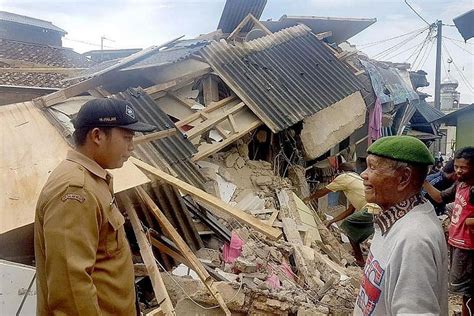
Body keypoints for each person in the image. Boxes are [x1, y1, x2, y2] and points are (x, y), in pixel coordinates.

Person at [34, 98, 156, 315]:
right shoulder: (75, 191)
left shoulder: (93, 180)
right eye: (127, 138)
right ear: (97, 135)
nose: (131, 147)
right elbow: (71, 289)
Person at [354, 136, 448, 315]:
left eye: (372, 167)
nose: (363, 174)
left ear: (404, 178)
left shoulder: (414, 239)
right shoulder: (395, 220)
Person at [423, 147, 474, 316]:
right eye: (457, 166)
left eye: (463, 167)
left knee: (469, 291)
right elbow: (439, 197)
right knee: (465, 291)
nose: (458, 171)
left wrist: (470, 221)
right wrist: (423, 181)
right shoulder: (461, 184)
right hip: (458, 244)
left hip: (469, 248)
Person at [304, 162, 376, 266]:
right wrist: (331, 221)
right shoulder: (355, 181)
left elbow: (324, 191)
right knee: (356, 232)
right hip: (376, 209)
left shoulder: (344, 177)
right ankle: (362, 257)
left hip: (370, 209)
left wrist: (310, 198)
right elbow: (350, 211)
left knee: (349, 227)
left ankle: (360, 260)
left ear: (341, 172)